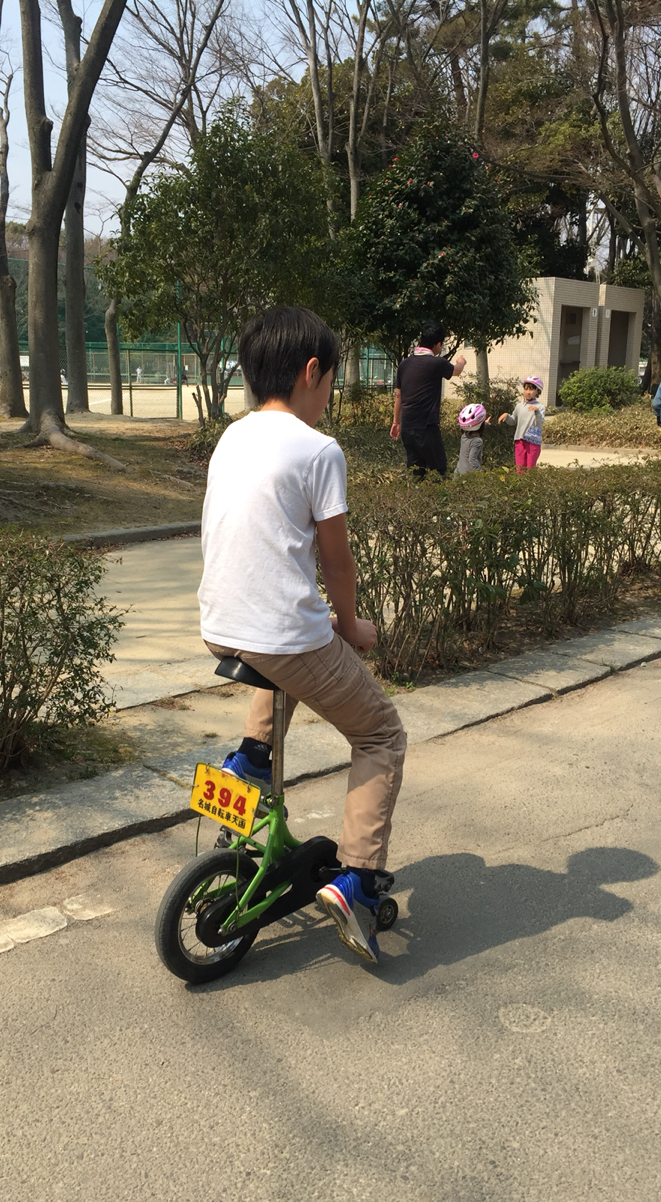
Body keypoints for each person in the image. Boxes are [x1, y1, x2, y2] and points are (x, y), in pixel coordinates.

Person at [198, 306, 407, 965]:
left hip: (221, 627)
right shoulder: (318, 450)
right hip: (281, 635)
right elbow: (336, 561)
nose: (329, 398)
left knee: (292, 652)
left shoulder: (232, 436)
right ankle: (359, 879)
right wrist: (353, 627)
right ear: (312, 373)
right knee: (380, 734)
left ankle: (249, 762)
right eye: (331, 383)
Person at [390, 322, 467, 479]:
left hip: (407, 428)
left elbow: (399, 395)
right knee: (439, 473)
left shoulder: (404, 364)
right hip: (426, 428)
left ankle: (418, 502)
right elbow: (456, 371)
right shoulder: (437, 363)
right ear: (438, 344)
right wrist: (461, 361)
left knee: (418, 474)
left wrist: (396, 422)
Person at [498, 375, 545, 472]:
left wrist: (536, 412)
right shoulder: (519, 406)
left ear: (537, 391)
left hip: (533, 442)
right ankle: (520, 486)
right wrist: (507, 417)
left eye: (531, 390)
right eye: (526, 389)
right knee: (519, 469)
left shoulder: (540, 407)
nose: (528, 392)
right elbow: (513, 421)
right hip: (519, 441)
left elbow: (539, 423)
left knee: (530, 469)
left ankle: (529, 487)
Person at [455, 403, 487, 473]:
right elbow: (472, 459)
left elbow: (473, 426)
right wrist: (481, 473)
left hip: (457, 474)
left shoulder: (464, 436)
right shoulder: (477, 441)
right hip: (468, 477)